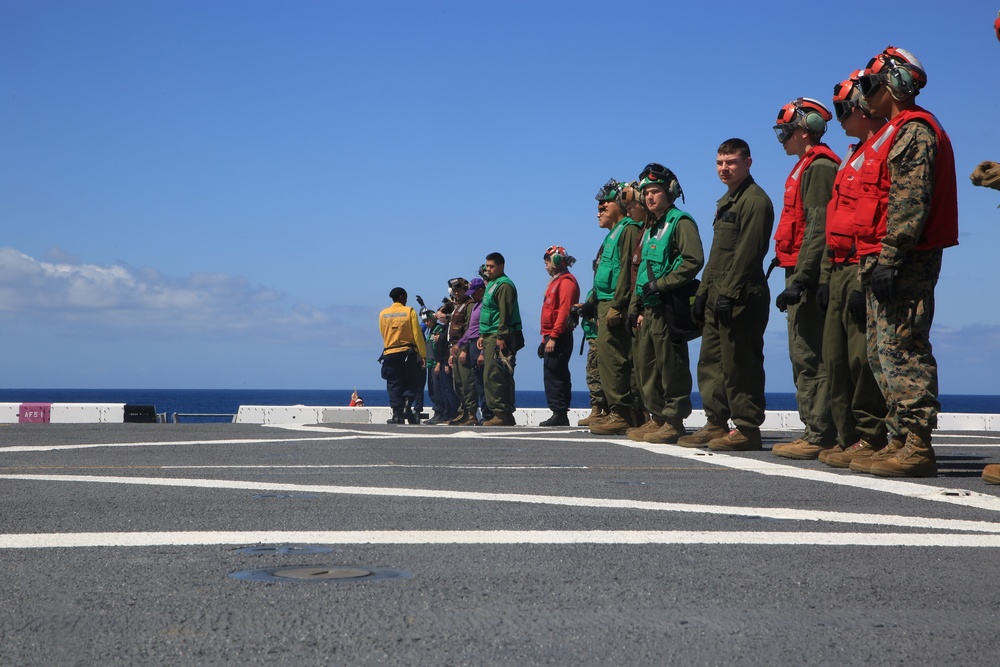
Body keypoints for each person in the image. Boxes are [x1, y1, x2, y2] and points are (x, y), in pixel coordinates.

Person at [848, 46, 958, 478]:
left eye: (871, 85)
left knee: (903, 347)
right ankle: (898, 437)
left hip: (905, 258)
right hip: (885, 258)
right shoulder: (892, 132)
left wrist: (891, 257)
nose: (865, 95)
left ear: (893, 85)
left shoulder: (914, 131)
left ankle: (917, 443)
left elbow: (909, 201)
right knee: (881, 352)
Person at [680, 139, 774, 451]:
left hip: (742, 296)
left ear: (748, 162)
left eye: (731, 162)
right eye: (720, 163)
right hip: (718, 295)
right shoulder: (726, 202)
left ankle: (747, 428)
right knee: (711, 362)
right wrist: (702, 296)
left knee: (740, 363)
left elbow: (749, 254)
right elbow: (717, 256)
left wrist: (729, 294)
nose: (724, 168)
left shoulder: (755, 201)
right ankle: (716, 422)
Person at [818, 72, 889, 469]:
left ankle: (870, 435)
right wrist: (829, 274)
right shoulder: (852, 155)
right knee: (836, 358)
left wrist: (866, 271)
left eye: (845, 109)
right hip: (840, 265)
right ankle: (849, 437)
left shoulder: (880, 149)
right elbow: (836, 220)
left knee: (862, 358)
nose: (840, 117)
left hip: (862, 265)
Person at [769, 98, 841, 459]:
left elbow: (817, 228)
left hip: (806, 274)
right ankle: (817, 429)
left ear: (804, 129)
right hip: (798, 269)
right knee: (803, 353)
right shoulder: (805, 166)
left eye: (785, 132)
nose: (782, 139)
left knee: (810, 353)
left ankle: (819, 433)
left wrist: (802, 278)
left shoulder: (819, 167)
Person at [627, 164, 704, 444]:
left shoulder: (679, 222)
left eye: (655, 191)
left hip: (668, 305)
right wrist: (635, 305)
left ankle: (673, 420)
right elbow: (642, 270)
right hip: (648, 308)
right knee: (647, 366)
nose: (649, 197)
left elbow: (693, 260)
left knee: (670, 365)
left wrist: (663, 284)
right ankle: (657, 417)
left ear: (669, 191)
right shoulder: (650, 228)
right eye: (646, 192)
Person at [587, 180, 642, 435]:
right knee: (608, 359)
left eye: (604, 204)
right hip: (605, 302)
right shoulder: (614, 233)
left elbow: (626, 273)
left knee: (617, 359)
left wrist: (618, 305)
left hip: (614, 303)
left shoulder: (628, 229)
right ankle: (617, 410)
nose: (600, 210)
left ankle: (621, 412)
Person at [478, 252, 523, 426]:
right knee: (492, 374)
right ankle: (502, 413)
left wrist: (501, 335)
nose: (487, 269)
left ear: (501, 266)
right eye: (487, 266)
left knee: (496, 375)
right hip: (490, 333)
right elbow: (489, 311)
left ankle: (502, 414)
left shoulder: (504, 285)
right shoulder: (492, 285)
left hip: (499, 335)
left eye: (491, 266)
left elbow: (505, 312)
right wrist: (483, 334)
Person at [538, 245, 580, 426]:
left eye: (547, 263)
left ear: (554, 261)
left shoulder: (566, 283)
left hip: (559, 336)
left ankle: (560, 413)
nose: (546, 267)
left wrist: (553, 337)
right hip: (551, 336)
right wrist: (544, 339)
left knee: (557, 373)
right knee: (551, 373)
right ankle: (557, 411)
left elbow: (563, 312)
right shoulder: (556, 282)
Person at [378, 287, 427, 424]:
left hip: (390, 352)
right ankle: (406, 405)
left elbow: (383, 332)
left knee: (393, 383)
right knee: (411, 380)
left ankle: (396, 415)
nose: (406, 300)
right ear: (401, 297)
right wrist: (423, 354)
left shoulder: (383, 314)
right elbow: (417, 334)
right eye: (405, 297)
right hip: (408, 352)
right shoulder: (409, 311)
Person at [455, 276, 489, 424]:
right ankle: (478, 414)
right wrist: (461, 344)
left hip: (478, 344)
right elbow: (470, 330)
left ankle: (486, 414)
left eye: (474, 291)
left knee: (481, 381)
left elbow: (485, 328)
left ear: (481, 290)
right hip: (472, 342)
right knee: (476, 380)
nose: (472, 294)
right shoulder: (476, 305)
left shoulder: (483, 306)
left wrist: (482, 352)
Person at [446, 277, 479, 426]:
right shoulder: (457, 306)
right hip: (455, 348)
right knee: (458, 383)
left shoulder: (469, 305)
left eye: (459, 290)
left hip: (463, 347)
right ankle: (463, 412)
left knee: (467, 382)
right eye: (455, 291)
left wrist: (464, 349)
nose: (456, 293)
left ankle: (471, 413)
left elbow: (468, 329)